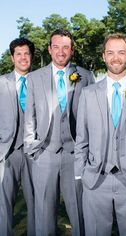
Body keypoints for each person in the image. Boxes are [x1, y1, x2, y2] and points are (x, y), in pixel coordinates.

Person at [74, 32, 126, 236]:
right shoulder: (88, 93)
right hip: (95, 180)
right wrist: (82, 173)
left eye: (121, 52)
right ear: (103, 56)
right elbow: (81, 139)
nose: (116, 57)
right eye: (110, 52)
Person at [24, 29, 94, 236]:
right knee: (44, 213)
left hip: (76, 155)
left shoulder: (85, 76)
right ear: (49, 49)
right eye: (56, 47)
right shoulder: (35, 77)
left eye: (65, 47)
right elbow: (30, 115)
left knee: (79, 211)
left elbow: (93, 116)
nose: (61, 52)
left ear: (71, 50)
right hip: (44, 154)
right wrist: (32, 149)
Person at [0, 38, 35, 235]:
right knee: (3, 205)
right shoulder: (0, 82)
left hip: (34, 154)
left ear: (31, 56)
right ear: (12, 58)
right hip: (7, 153)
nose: (23, 57)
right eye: (18, 54)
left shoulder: (41, 82)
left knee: (36, 204)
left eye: (26, 53)